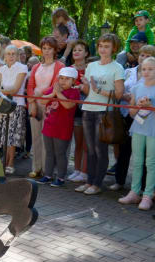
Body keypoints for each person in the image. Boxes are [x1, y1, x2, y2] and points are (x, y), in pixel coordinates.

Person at [75, 34, 124, 195]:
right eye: (101, 45)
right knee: (90, 149)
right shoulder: (91, 66)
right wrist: (83, 86)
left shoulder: (117, 68)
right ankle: (89, 181)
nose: (103, 49)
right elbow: (89, 91)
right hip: (88, 110)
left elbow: (118, 94)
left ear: (114, 49)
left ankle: (97, 184)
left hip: (105, 113)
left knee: (100, 149)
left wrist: (98, 89)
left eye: (107, 46)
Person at [108, 45, 155, 191]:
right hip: (130, 118)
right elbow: (121, 92)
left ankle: (144, 189)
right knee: (125, 151)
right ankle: (121, 181)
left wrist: (147, 104)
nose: (144, 58)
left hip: (151, 123)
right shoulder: (129, 72)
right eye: (142, 55)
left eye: (148, 56)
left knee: (148, 158)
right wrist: (129, 98)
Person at [118, 57, 155, 210]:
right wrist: (139, 106)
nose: (146, 72)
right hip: (138, 128)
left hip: (154, 131)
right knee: (137, 161)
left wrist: (151, 106)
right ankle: (134, 192)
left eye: (150, 69)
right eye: (144, 69)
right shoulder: (136, 88)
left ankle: (147, 195)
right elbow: (132, 113)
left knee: (151, 162)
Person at [27, 36, 65, 178]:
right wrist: (32, 103)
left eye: (50, 48)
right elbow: (30, 86)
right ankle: (36, 168)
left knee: (47, 139)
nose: (47, 51)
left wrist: (42, 99)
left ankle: (46, 169)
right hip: (35, 105)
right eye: (44, 48)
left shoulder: (60, 67)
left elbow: (55, 87)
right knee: (35, 137)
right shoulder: (36, 66)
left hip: (50, 106)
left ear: (55, 50)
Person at [37, 67, 80, 187]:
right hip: (49, 126)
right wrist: (53, 93)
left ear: (73, 81)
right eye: (61, 78)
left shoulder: (74, 92)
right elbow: (42, 101)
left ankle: (61, 177)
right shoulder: (53, 89)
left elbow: (68, 105)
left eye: (67, 79)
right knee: (49, 152)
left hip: (63, 128)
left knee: (60, 153)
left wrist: (57, 93)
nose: (63, 81)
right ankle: (48, 175)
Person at [0, 45, 28, 174]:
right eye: (8, 54)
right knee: (3, 135)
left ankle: (11, 163)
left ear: (18, 56)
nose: (11, 56)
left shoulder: (22, 68)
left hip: (16, 105)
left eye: (14, 54)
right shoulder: (2, 68)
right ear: (4, 56)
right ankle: (4, 161)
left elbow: (15, 89)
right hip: (3, 105)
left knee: (11, 136)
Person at [68, 40, 90, 183]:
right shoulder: (69, 69)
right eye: (74, 50)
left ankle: (84, 171)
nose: (76, 52)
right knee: (78, 141)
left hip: (88, 108)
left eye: (80, 50)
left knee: (86, 144)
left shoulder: (91, 68)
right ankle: (76, 170)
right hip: (73, 109)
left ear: (86, 53)